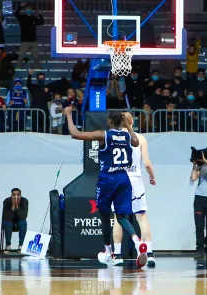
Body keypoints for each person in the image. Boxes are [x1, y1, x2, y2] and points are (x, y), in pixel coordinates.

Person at [64, 107, 147, 268]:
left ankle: (108, 251)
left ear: (109, 121)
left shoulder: (104, 135)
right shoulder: (126, 135)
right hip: (124, 178)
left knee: (104, 215)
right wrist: (128, 126)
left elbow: (75, 134)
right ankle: (137, 241)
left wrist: (68, 114)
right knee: (122, 217)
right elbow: (136, 142)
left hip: (108, 178)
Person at [113, 129, 157, 266]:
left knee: (118, 218)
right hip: (135, 180)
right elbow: (147, 163)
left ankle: (118, 255)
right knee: (141, 217)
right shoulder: (140, 138)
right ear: (131, 122)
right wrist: (152, 176)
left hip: (119, 178)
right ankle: (149, 253)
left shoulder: (113, 137)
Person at [1, 188, 29, 253]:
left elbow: (23, 217)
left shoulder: (24, 201)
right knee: (7, 224)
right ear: (11, 195)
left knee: (23, 223)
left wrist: (17, 206)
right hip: (9, 220)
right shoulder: (7, 201)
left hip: (19, 220)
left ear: (20, 195)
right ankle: (8, 245)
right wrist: (13, 206)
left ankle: (21, 245)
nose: (15, 196)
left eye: (18, 194)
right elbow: (7, 217)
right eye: (14, 195)